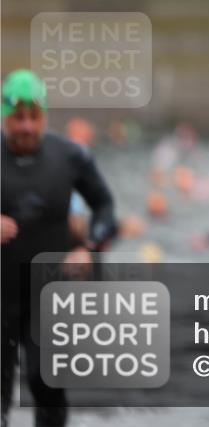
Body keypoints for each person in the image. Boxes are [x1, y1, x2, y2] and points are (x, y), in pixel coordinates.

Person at [1, 70, 117, 427]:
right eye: (18, 117)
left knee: (46, 382)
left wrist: (89, 248)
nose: (26, 126)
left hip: (47, 294)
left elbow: (105, 206)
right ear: (4, 117)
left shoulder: (68, 156)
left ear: (45, 116)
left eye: (34, 117)